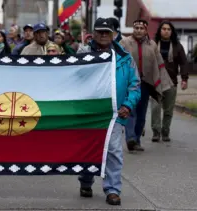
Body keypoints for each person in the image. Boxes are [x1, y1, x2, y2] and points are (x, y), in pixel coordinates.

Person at [77, 17, 141, 206]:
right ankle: (86, 181)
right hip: (89, 113)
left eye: (107, 32)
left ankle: (112, 189)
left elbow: (135, 85)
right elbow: (72, 81)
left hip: (114, 113)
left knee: (113, 151)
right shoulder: (83, 55)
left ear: (114, 34)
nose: (103, 35)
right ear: (93, 33)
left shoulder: (125, 58)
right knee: (89, 150)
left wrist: (127, 105)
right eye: (100, 32)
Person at [119, 19, 172, 152]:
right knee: (130, 110)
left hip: (145, 84)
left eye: (141, 28)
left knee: (141, 114)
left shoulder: (152, 45)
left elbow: (159, 65)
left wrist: (163, 84)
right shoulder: (124, 43)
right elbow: (117, 61)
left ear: (146, 30)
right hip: (128, 84)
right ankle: (130, 138)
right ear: (133, 29)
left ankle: (136, 140)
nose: (138, 30)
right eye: (136, 28)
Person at [151, 21, 189, 142]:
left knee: (168, 109)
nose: (166, 31)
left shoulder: (177, 46)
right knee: (155, 107)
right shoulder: (152, 44)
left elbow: (183, 63)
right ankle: (156, 132)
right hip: (155, 81)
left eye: (168, 29)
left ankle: (165, 131)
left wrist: (184, 79)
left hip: (171, 81)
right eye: (164, 29)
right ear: (160, 30)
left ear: (171, 32)